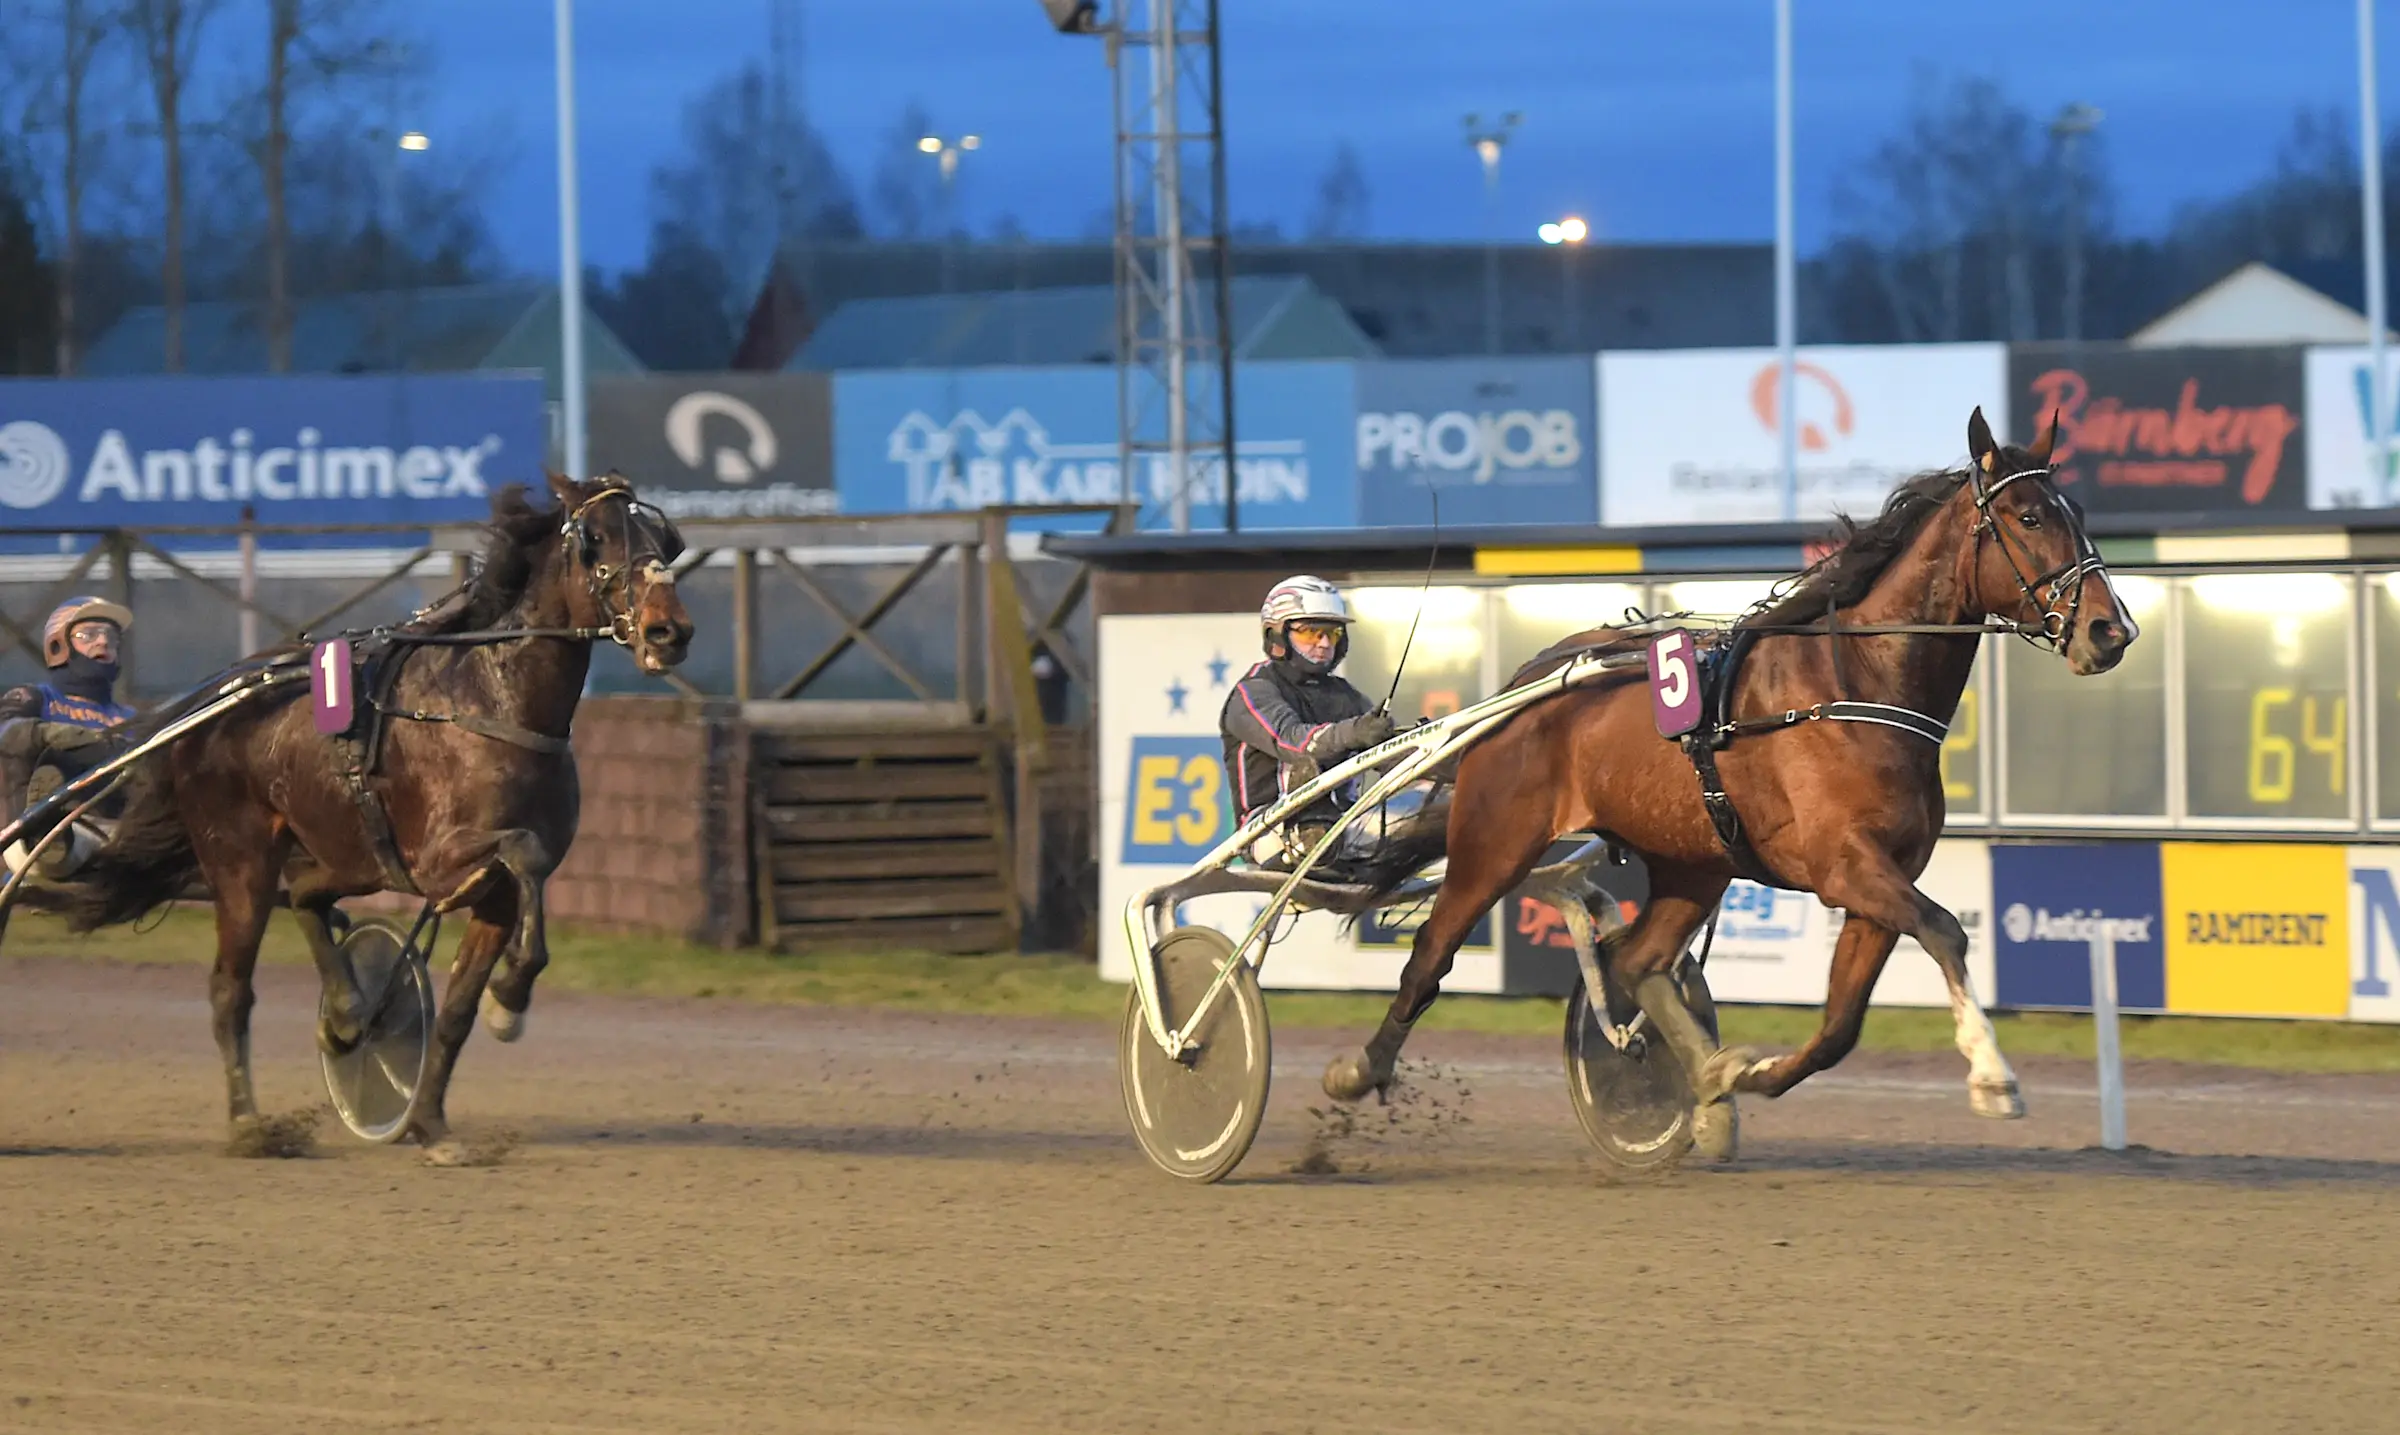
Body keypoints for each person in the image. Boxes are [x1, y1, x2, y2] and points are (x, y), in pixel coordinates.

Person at [1219, 576, 1402, 872]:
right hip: (1269, 830)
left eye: (1333, 632)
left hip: (1348, 825)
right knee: (1308, 774)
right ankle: (1315, 838)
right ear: (1277, 635)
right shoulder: (1252, 692)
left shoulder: (1350, 698)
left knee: (1430, 826)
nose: (1324, 643)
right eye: (1310, 633)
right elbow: (1293, 742)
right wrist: (1356, 733)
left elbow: (1395, 761)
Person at [1, 597, 137, 876]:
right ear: (57, 645)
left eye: (110, 636)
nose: (102, 643)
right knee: (50, 760)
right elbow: (6, 732)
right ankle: (48, 834)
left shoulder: (132, 717)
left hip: (124, 829)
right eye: (88, 635)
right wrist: (54, 734)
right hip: (42, 834)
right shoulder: (35, 698)